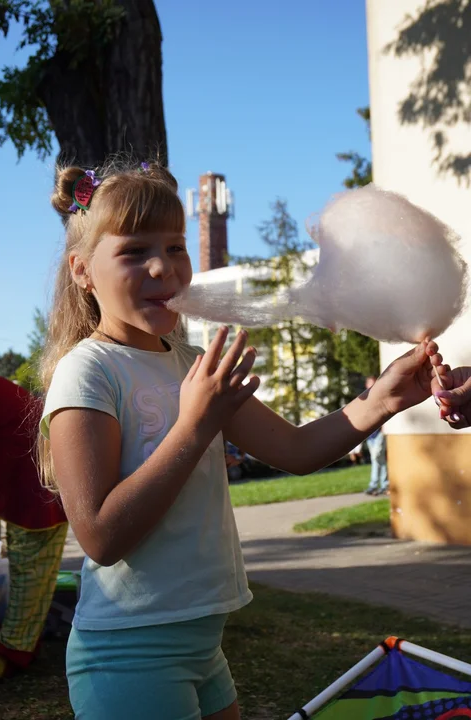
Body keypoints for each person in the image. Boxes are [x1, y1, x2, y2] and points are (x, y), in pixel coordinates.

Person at [38, 159, 442, 720]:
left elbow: (295, 451)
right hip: (129, 654)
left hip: (205, 645)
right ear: (82, 271)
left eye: (176, 247)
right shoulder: (88, 372)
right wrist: (194, 425)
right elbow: (101, 536)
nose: (163, 267)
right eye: (134, 252)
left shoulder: (192, 363)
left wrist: (381, 401)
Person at [0, 374, 68, 679]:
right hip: (29, 478)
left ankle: (13, 652)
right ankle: (19, 644)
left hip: (35, 483)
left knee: (30, 575)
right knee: (29, 573)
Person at [363, 376, 389, 496]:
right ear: (366, 385)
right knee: (380, 460)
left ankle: (373, 485)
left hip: (379, 433)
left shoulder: (380, 397)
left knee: (375, 458)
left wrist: (384, 429)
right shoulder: (365, 399)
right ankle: (385, 484)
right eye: (370, 384)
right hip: (370, 435)